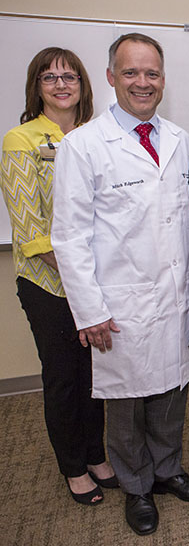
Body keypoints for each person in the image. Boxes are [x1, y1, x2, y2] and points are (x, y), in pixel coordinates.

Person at [51, 33, 189, 536]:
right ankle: (137, 486)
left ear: (163, 80)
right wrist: (90, 310)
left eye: (152, 73)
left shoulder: (179, 140)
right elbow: (70, 237)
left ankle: (168, 471)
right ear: (110, 78)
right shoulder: (83, 145)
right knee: (125, 403)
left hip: (176, 296)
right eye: (130, 72)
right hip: (119, 303)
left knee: (172, 391)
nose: (142, 83)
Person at [1, 47, 116, 506]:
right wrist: (80, 282)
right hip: (49, 286)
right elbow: (31, 232)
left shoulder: (95, 136)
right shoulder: (22, 139)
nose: (61, 84)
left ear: (84, 85)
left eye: (70, 76)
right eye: (50, 78)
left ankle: (96, 453)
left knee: (96, 375)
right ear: (37, 87)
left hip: (96, 281)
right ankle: (73, 466)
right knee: (64, 377)